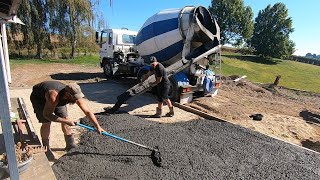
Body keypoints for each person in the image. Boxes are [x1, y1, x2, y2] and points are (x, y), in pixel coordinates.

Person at [30, 81, 105, 160]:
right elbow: (47, 115)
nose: (76, 99)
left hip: (59, 99)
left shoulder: (73, 95)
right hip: (39, 98)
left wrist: (97, 126)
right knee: (46, 122)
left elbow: (87, 111)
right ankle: (46, 148)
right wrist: (67, 122)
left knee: (65, 118)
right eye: (74, 97)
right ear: (67, 94)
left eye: (77, 96)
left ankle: (70, 144)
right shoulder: (53, 96)